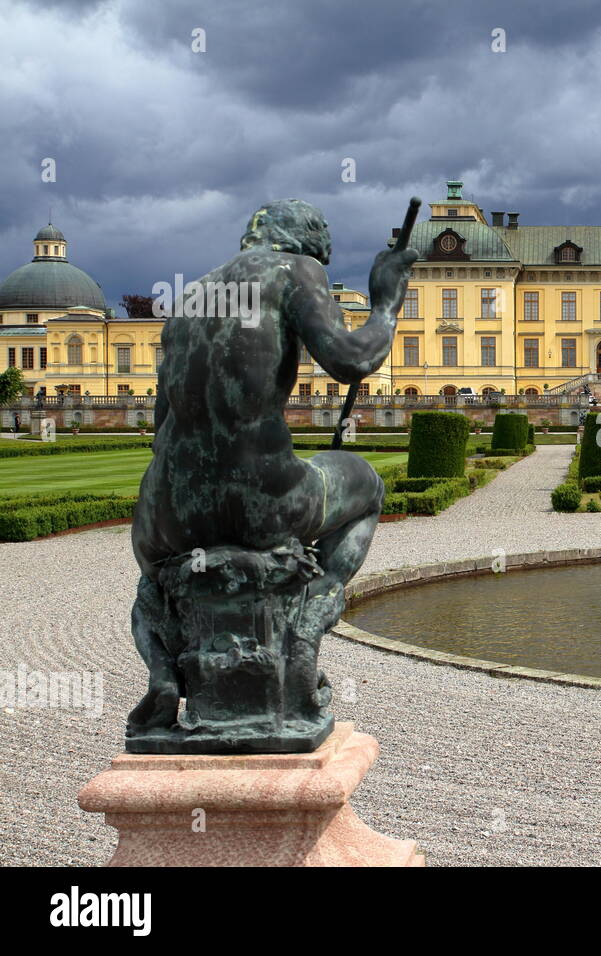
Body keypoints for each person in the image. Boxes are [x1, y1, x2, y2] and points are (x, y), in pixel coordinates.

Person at [127, 199, 417, 735]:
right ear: (302, 235)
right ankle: (306, 629)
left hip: (167, 514)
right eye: (323, 230)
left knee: (152, 579)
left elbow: (162, 420)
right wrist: (386, 300)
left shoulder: (193, 295)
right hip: (264, 501)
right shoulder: (297, 271)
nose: (327, 241)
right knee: (367, 487)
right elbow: (352, 360)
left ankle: (165, 673)